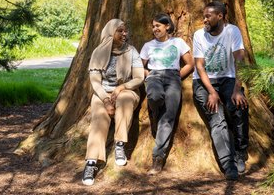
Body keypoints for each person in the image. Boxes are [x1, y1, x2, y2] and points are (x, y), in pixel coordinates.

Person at [83, 19, 144, 186]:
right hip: (102, 93)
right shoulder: (98, 52)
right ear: (111, 33)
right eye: (120, 31)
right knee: (99, 119)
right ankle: (91, 163)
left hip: (126, 90)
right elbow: (95, 82)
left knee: (124, 102)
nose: (125, 34)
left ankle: (119, 144)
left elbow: (139, 77)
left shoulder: (131, 51)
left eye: (125, 31)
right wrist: (105, 100)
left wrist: (122, 87)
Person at [192, 1, 249, 181]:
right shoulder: (199, 35)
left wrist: (237, 89)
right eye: (204, 16)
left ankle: (241, 153)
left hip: (228, 78)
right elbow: (199, 66)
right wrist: (211, 91)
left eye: (208, 16)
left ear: (221, 16)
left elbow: (239, 60)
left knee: (239, 108)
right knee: (217, 118)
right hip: (204, 81)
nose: (204, 20)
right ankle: (228, 165)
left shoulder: (232, 31)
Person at [140, 13, 194, 174]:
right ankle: (155, 114)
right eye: (153, 26)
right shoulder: (148, 45)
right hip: (154, 76)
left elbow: (190, 64)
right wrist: (148, 74)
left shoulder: (178, 42)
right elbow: (139, 66)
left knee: (168, 117)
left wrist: (178, 75)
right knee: (154, 96)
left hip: (173, 77)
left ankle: (158, 158)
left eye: (158, 26)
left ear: (167, 26)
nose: (154, 29)